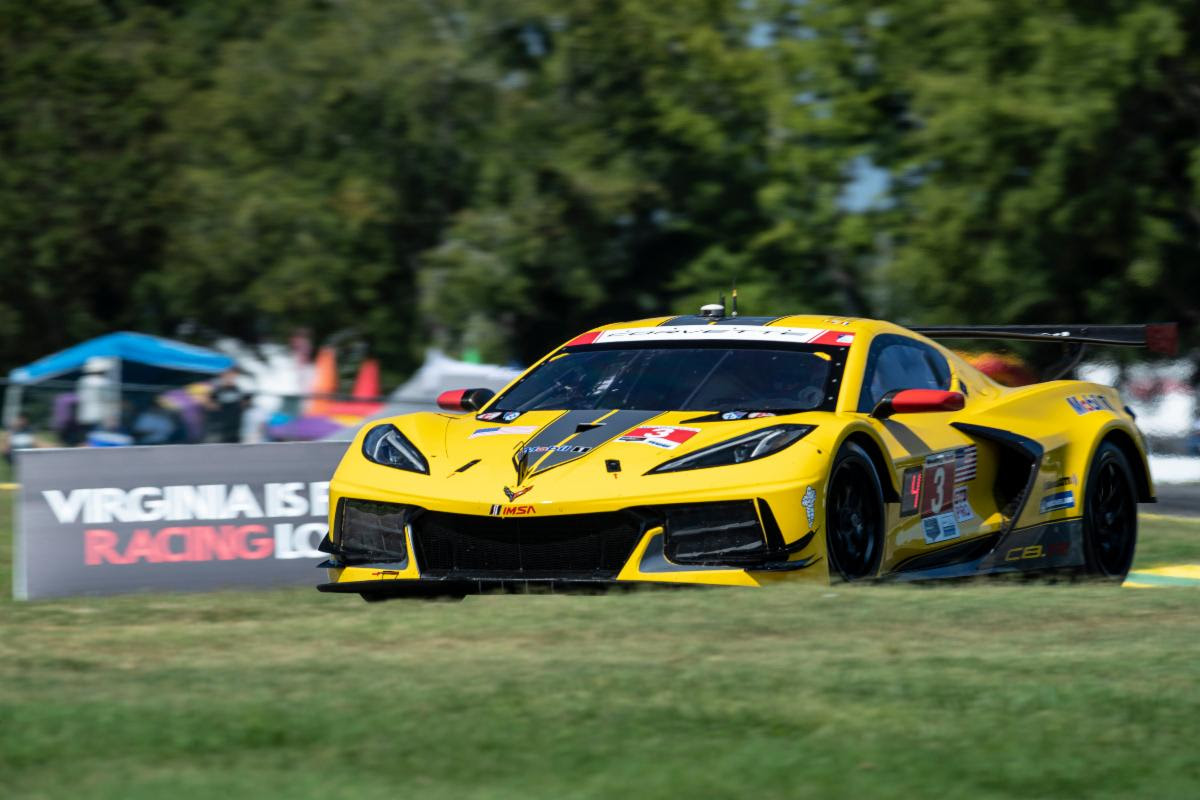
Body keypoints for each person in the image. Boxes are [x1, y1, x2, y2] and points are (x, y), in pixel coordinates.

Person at [76, 357, 120, 433]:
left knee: (87, 434)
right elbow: (109, 400)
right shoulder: (105, 383)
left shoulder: (82, 381)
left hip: (85, 413)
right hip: (101, 415)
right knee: (98, 434)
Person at [208, 369, 249, 443]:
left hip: (235, 426)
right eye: (227, 375)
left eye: (231, 375)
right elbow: (211, 405)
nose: (229, 377)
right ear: (223, 376)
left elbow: (244, 405)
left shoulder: (239, 390)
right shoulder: (218, 390)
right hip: (221, 426)